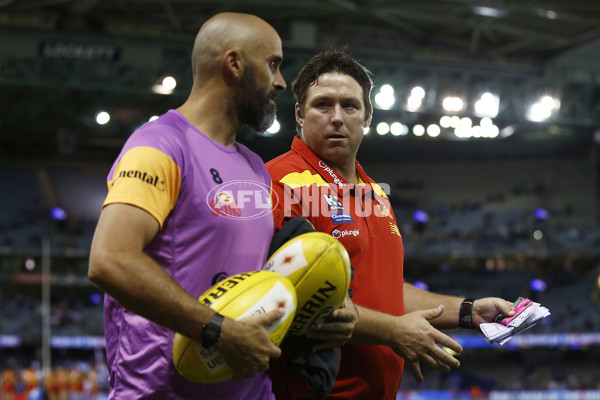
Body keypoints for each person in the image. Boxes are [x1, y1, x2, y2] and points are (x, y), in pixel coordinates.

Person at [266, 48, 516, 399]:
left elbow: (386, 290)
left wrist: (467, 311)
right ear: (299, 115)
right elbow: (293, 299)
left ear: (367, 117)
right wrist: (392, 331)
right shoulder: (279, 182)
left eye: (350, 106)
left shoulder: (374, 193)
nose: (337, 117)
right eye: (322, 105)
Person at [88, 12, 289, 399]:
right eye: (273, 64)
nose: (280, 82)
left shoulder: (255, 168)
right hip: (161, 391)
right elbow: (109, 259)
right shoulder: (159, 147)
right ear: (234, 64)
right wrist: (218, 329)